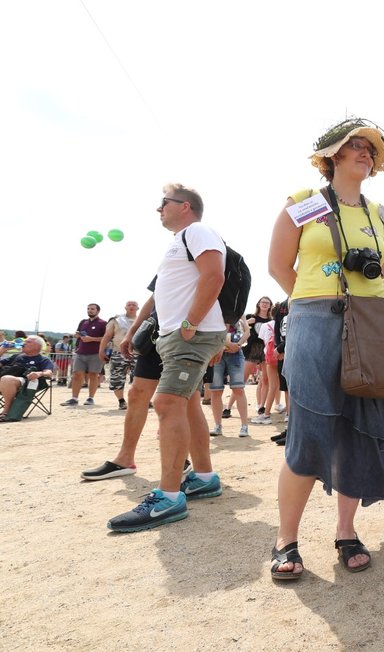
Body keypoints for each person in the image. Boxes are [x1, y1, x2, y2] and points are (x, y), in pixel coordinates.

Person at [267, 117, 384, 577]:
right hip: (315, 320)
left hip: (371, 326)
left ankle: (345, 532)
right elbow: (278, 266)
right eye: (354, 146)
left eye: (370, 148)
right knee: (308, 431)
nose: (365, 153)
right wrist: (318, 304)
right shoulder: (304, 203)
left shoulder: (382, 216)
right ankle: (285, 541)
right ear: (332, 154)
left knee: (359, 430)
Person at [107, 183, 228, 532]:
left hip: (189, 334)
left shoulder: (198, 230)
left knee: (166, 404)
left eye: (164, 203)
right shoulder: (182, 239)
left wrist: (190, 324)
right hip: (176, 335)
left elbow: (214, 275)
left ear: (185, 206)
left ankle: (169, 498)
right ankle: (204, 477)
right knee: (186, 404)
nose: (159, 209)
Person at [208, 318, 249, 437]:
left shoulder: (239, 312)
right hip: (216, 352)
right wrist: (229, 344)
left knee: (238, 389)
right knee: (216, 391)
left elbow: (247, 331)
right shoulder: (215, 310)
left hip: (235, 353)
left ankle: (244, 425)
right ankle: (217, 425)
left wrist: (239, 345)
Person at [0, 336, 55, 421]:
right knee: (5, 379)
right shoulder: (16, 356)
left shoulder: (43, 359)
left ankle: (6, 411)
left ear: (37, 346)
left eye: (28, 342)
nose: (24, 343)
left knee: (6, 379)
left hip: (26, 383)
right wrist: (2, 350)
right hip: (5, 381)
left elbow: (49, 373)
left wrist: (39, 373)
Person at [61, 304, 106, 406]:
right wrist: (78, 335)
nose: (90, 311)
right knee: (77, 375)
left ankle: (90, 398)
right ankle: (74, 398)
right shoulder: (83, 322)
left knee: (93, 375)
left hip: (95, 353)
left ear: (98, 311)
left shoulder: (103, 323)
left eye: (92, 309)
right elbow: (78, 333)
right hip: (80, 352)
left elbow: (106, 338)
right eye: (88, 309)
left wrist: (92, 339)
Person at [99, 300, 139, 410]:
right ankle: (121, 401)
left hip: (138, 354)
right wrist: (101, 350)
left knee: (142, 378)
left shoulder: (143, 320)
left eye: (134, 305)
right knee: (117, 379)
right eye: (129, 305)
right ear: (125, 307)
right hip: (119, 353)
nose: (131, 306)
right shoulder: (116, 320)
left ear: (138, 308)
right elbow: (107, 336)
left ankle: (143, 399)